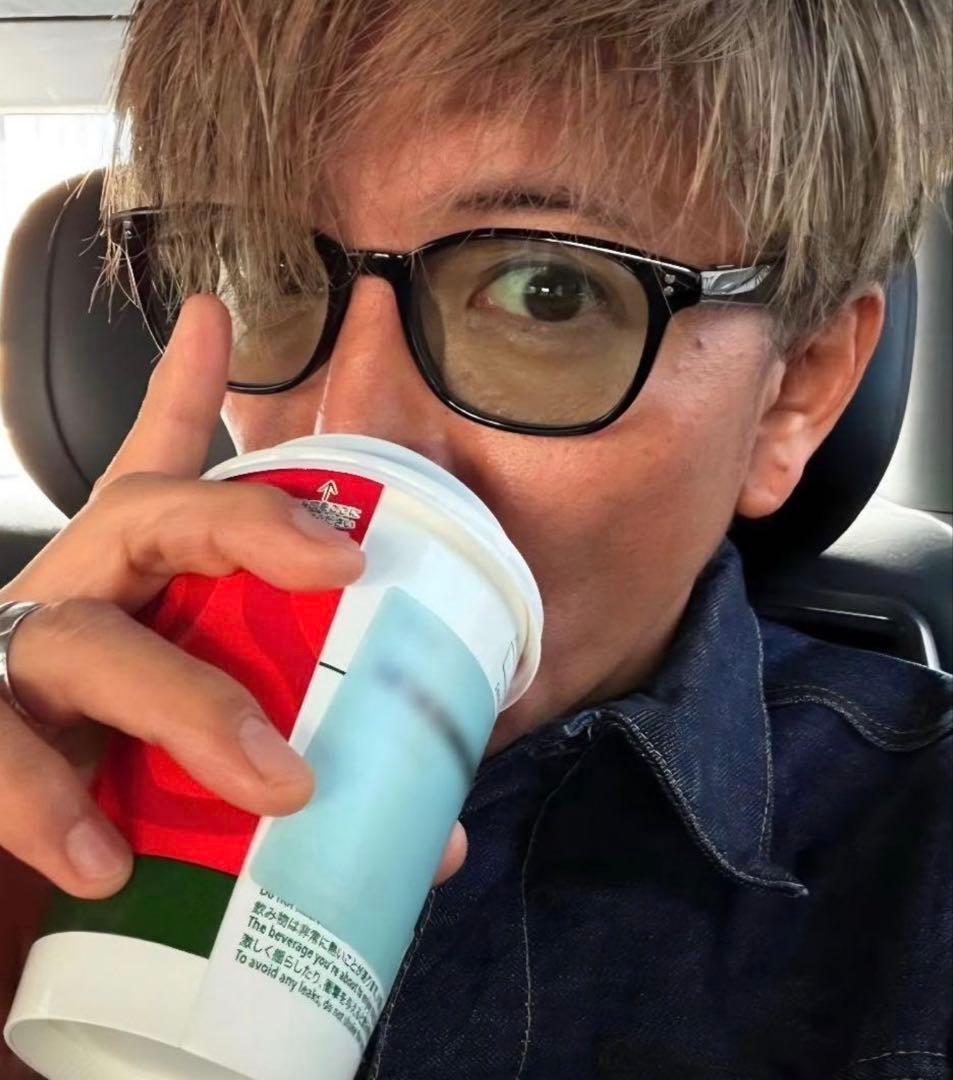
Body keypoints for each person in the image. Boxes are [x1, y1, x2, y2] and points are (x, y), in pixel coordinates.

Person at [1, 1, 951, 1076]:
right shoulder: (46, 746)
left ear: (794, 393)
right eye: (274, 271)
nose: (352, 427)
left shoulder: (919, 862)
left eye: (549, 291)